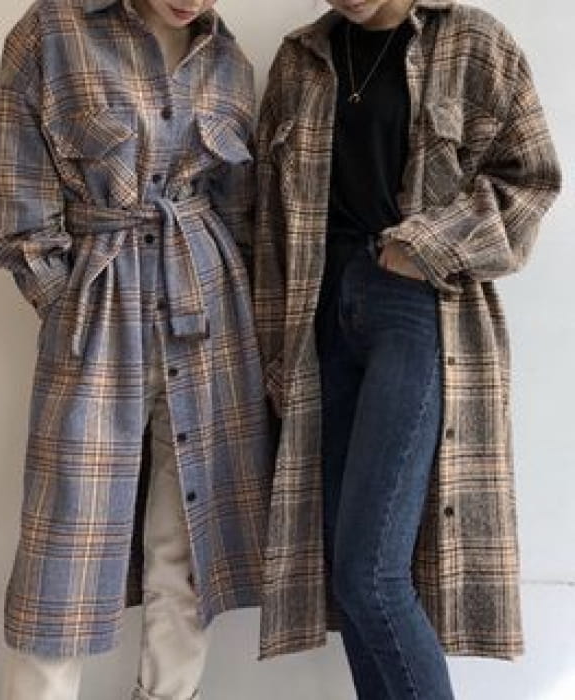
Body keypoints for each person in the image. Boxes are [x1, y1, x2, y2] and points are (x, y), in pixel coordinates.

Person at [253, 0, 561, 697]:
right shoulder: (301, 60)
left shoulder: (474, 42)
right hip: (318, 317)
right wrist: (274, 347)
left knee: (372, 571)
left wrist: (424, 246)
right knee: (347, 571)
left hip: (415, 307)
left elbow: (531, 180)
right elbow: (267, 219)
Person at [0, 1, 271, 698]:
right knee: (65, 546)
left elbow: (242, 211)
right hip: (98, 315)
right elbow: (13, 207)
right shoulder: (53, 31)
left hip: (208, 315)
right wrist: (65, 303)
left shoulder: (229, 62)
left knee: (186, 541)